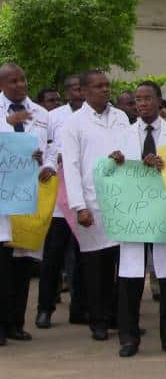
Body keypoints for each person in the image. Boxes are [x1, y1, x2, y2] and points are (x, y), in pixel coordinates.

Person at [108, 80, 166, 357]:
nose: (142, 104)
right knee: (130, 278)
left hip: (164, 214)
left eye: (147, 98)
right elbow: (110, 174)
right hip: (134, 214)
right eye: (138, 99)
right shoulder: (123, 136)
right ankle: (129, 338)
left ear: (158, 101)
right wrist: (114, 161)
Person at [61, 70, 130, 340]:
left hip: (119, 201)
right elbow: (72, 166)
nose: (104, 90)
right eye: (98, 86)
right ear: (85, 91)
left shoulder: (121, 117)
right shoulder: (74, 123)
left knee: (120, 263)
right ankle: (97, 320)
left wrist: (123, 155)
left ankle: (116, 316)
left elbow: (130, 148)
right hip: (91, 202)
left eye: (106, 85)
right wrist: (79, 206)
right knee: (95, 265)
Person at [0, 63, 55, 343]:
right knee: (2, 264)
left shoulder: (42, 114)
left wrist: (47, 164)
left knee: (23, 264)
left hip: (30, 193)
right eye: (13, 81)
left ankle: (15, 324)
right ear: (1, 85)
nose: (20, 85)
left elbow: (52, 147)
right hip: (3, 197)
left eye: (23, 79)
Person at [36, 74, 88, 329]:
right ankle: (44, 308)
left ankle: (79, 309)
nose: (80, 93)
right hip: (59, 200)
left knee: (81, 257)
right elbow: (46, 149)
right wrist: (46, 162)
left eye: (82, 89)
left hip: (85, 197)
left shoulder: (95, 117)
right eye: (76, 89)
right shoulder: (53, 117)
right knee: (53, 257)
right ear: (68, 93)